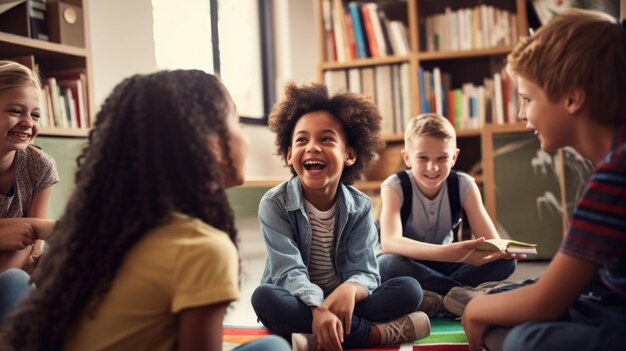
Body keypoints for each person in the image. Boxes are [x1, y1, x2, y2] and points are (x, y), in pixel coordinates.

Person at [0, 69, 291, 351]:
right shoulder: (204, 249)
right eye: (237, 123)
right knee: (273, 347)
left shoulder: (114, 231)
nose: (247, 138)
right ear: (207, 142)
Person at [461, 9, 626, 351]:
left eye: (527, 100)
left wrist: (477, 310)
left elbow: (547, 302)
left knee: (523, 338)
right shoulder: (610, 161)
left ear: (571, 98)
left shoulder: (615, 174)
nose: (522, 115)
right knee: (508, 298)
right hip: (605, 295)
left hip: (614, 313)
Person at [251, 82, 429, 351]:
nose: (312, 147)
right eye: (301, 140)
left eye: (326, 139)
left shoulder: (360, 206)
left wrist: (348, 291)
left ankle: (313, 337)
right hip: (296, 299)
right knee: (264, 298)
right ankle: (373, 335)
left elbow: (365, 272)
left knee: (410, 290)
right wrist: (316, 309)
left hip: (346, 302)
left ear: (349, 155)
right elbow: (288, 271)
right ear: (289, 154)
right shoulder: (274, 204)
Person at [377, 113, 522, 317]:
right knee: (387, 264)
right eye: (423, 158)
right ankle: (461, 294)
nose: (432, 167)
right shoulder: (394, 186)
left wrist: (505, 249)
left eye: (442, 158)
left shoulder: (464, 184)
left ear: (454, 157)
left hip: (444, 265)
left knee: (505, 261)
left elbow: (492, 242)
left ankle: (438, 297)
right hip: (409, 263)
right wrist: (450, 253)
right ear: (407, 158)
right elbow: (390, 243)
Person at [0, 60, 58, 272]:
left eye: (35, 115)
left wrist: (32, 229)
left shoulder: (40, 166)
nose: (28, 122)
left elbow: (33, 244)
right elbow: (39, 228)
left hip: (17, 269)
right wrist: (36, 227)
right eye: (15, 111)